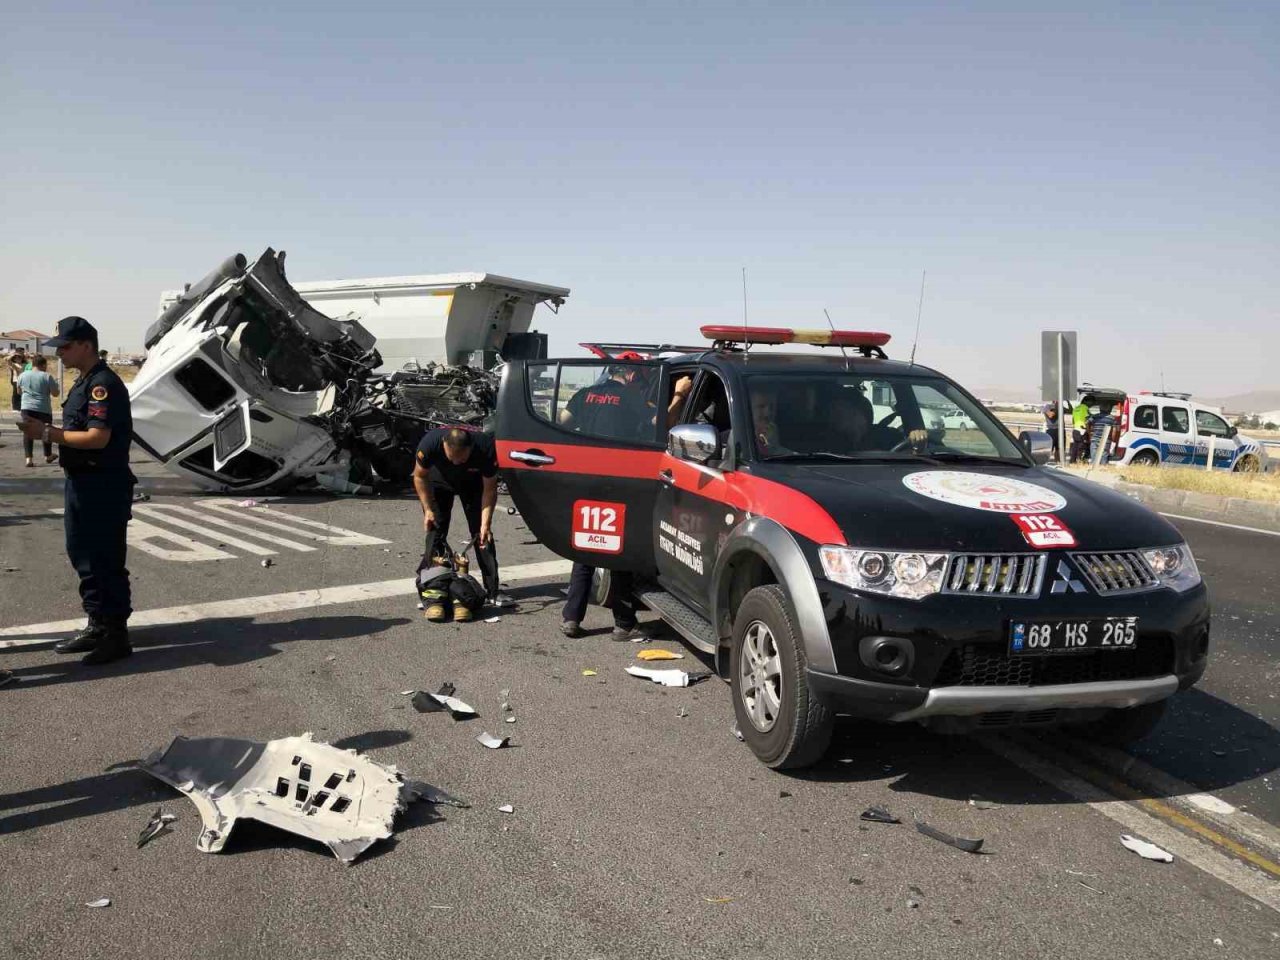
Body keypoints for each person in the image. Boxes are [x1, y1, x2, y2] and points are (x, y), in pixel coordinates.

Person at [19, 317, 135, 664]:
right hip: (82, 481)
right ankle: (97, 622)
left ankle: (116, 635)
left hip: (103, 484)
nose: (61, 353)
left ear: (86, 345)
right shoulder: (84, 381)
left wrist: (46, 434)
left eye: (66, 347)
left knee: (104, 558)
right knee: (82, 554)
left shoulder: (103, 384)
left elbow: (98, 437)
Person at [413, 426, 506, 610]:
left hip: (473, 484)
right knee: (435, 533)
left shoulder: (485, 447)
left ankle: (493, 591)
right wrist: (428, 509)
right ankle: (432, 591)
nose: (456, 462)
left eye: (461, 458)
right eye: (451, 457)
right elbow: (419, 476)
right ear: (444, 445)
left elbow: (489, 489)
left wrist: (485, 523)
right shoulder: (430, 443)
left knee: (482, 536)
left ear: (470, 449)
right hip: (439, 482)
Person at [17, 355, 60, 466]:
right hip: (43, 408)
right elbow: (55, 394)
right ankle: (48, 455)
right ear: (43, 365)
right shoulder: (46, 376)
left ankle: (29, 459)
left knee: (28, 431)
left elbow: (19, 392)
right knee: (46, 431)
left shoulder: (22, 375)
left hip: (26, 407)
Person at [7, 346, 30, 411]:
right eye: (16, 358)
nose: (18, 358)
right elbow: (8, 360)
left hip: (24, 381)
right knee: (15, 394)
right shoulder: (14, 364)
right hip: (16, 380)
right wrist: (14, 354)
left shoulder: (25, 364)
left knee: (22, 394)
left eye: (19, 357)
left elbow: (29, 363)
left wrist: (24, 356)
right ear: (15, 358)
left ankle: (21, 407)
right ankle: (15, 407)